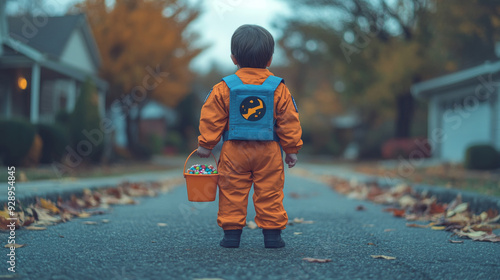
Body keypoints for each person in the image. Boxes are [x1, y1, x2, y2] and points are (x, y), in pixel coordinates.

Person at [197, 24, 303, 248]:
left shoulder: (224, 87)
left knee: (232, 191)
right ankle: (273, 237)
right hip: (269, 152)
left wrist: (206, 144)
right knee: (270, 192)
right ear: (270, 60)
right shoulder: (278, 88)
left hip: (234, 151)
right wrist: (291, 149)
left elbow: (211, 117)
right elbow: (289, 120)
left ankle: (231, 236)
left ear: (234, 58)